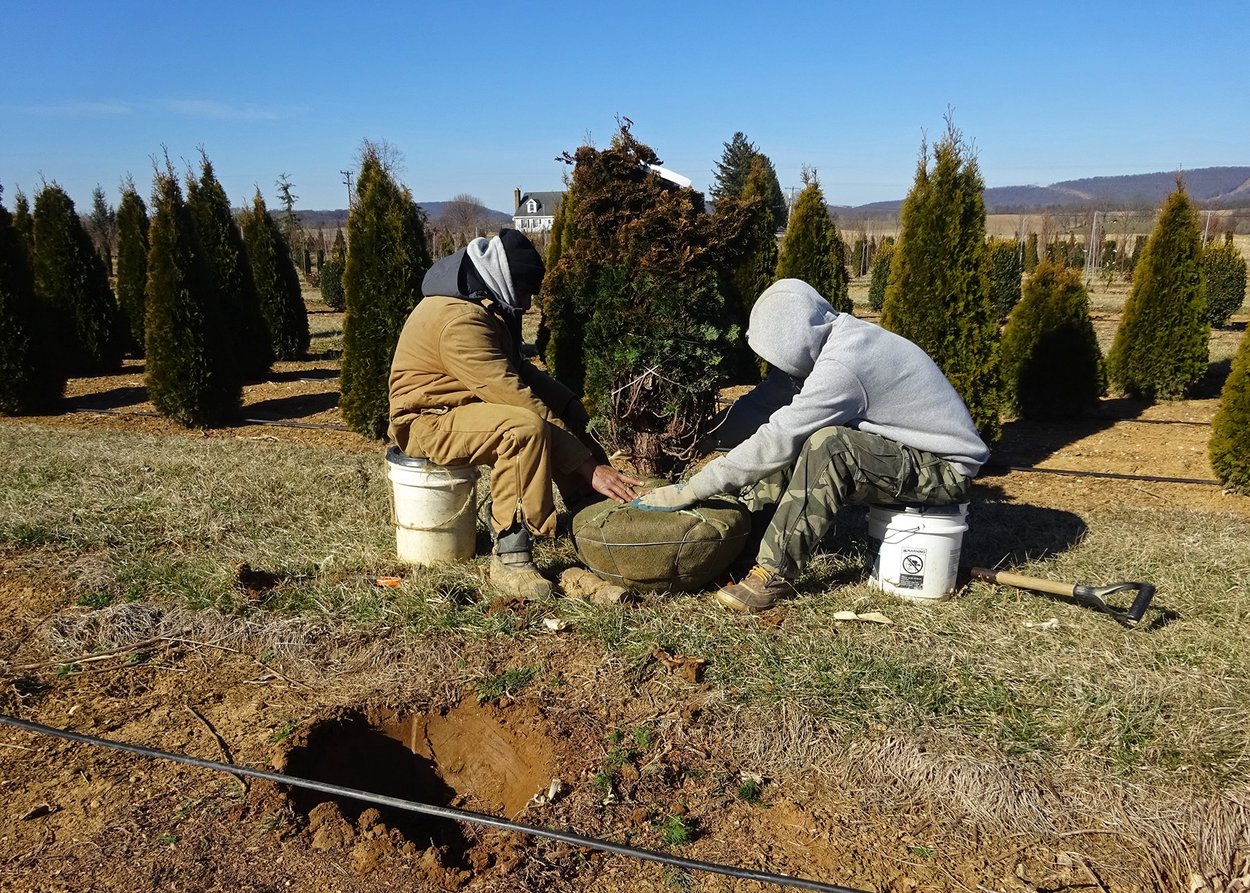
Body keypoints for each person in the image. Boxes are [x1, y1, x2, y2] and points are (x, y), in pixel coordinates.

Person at [633, 278, 989, 612]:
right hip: (905, 453)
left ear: (793, 343)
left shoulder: (845, 364)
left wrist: (693, 488)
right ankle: (746, 545)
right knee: (802, 439)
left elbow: (779, 436)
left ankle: (774, 572)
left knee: (830, 446)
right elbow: (763, 405)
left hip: (945, 470)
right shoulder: (826, 343)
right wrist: (701, 437)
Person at [389, 229, 643, 599]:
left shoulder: (482, 303)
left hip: (465, 409)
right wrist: (588, 465)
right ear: (505, 281)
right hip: (426, 421)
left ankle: (590, 511)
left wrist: (570, 407)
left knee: (560, 411)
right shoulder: (460, 320)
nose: (526, 302)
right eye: (524, 292)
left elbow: (520, 371)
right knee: (523, 429)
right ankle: (511, 553)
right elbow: (512, 394)